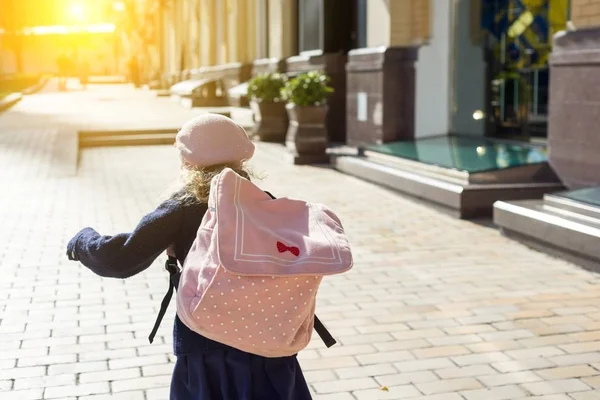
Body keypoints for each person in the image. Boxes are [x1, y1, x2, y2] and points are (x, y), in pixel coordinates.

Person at [66, 114, 313, 399]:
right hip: (267, 339)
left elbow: (120, 259)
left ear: (188, 160)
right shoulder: (263, 199)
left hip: (206, 340)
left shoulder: (184, 206)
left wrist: (83, 240)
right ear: (242, 159)